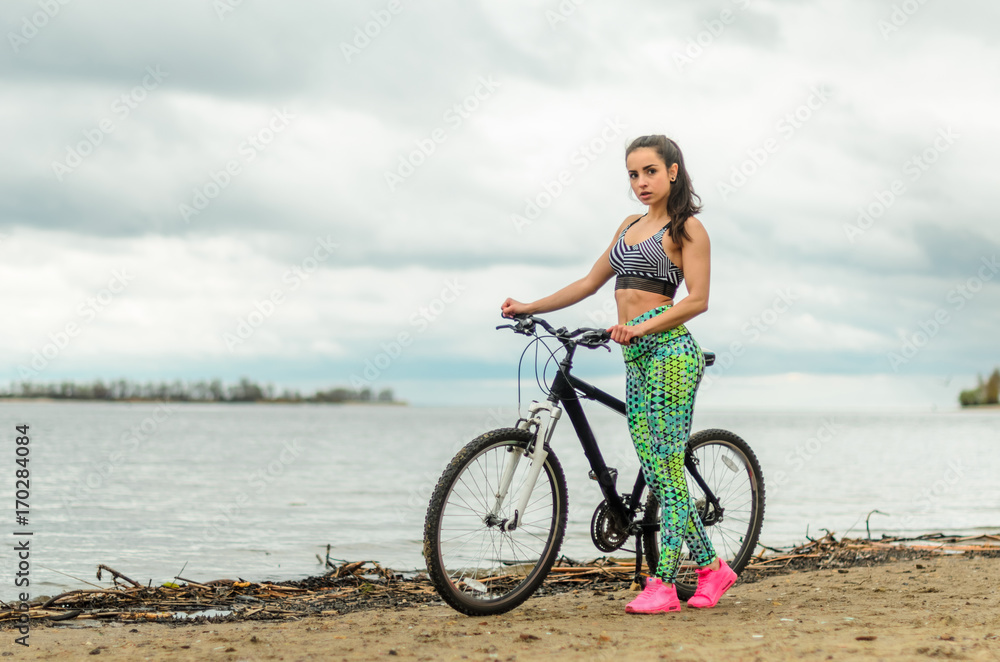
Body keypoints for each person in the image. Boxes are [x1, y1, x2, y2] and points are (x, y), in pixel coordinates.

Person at [501, 134, 737, 614]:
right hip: (634, 357)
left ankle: (664, 585)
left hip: (671, 354)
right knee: (657, 469)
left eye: (650, 171)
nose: (641, 182)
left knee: (666, 469)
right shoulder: (629, 226)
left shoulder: (688, 229)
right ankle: (714, 568)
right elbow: (589, 283)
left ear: (672, 172)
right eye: (633, 174)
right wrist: (529, 305)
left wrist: (642, 325)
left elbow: (697, 299)